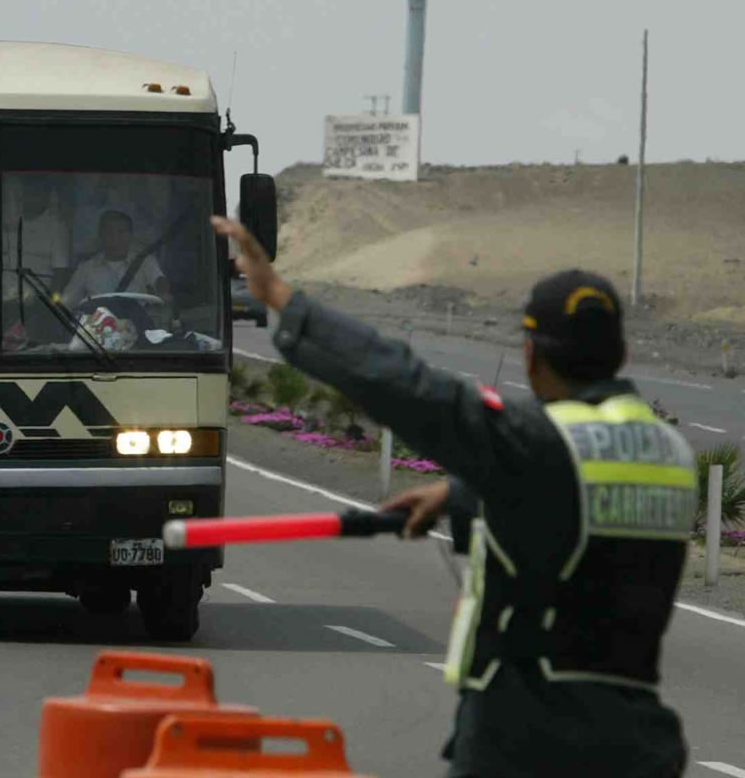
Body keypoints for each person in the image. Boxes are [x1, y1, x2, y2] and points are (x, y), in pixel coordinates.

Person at [217, 214, 697, 778]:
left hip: (531, 739)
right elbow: (579, 509)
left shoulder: (533, 444)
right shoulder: (668, 453)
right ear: (620, 356)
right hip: (638, 741)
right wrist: (461, 493)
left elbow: (408, 384)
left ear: (532, 357)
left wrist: (279, 295)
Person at [60, 209, 172, 308]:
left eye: (122, 232)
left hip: (136, 326)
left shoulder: (145, 261)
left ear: (130, 235)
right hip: (97, 328)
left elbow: (159, 281)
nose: (116, 237)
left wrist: (163, 290)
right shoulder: (86, 268)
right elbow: (67, 302)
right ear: (101, 234)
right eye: (110, 232)